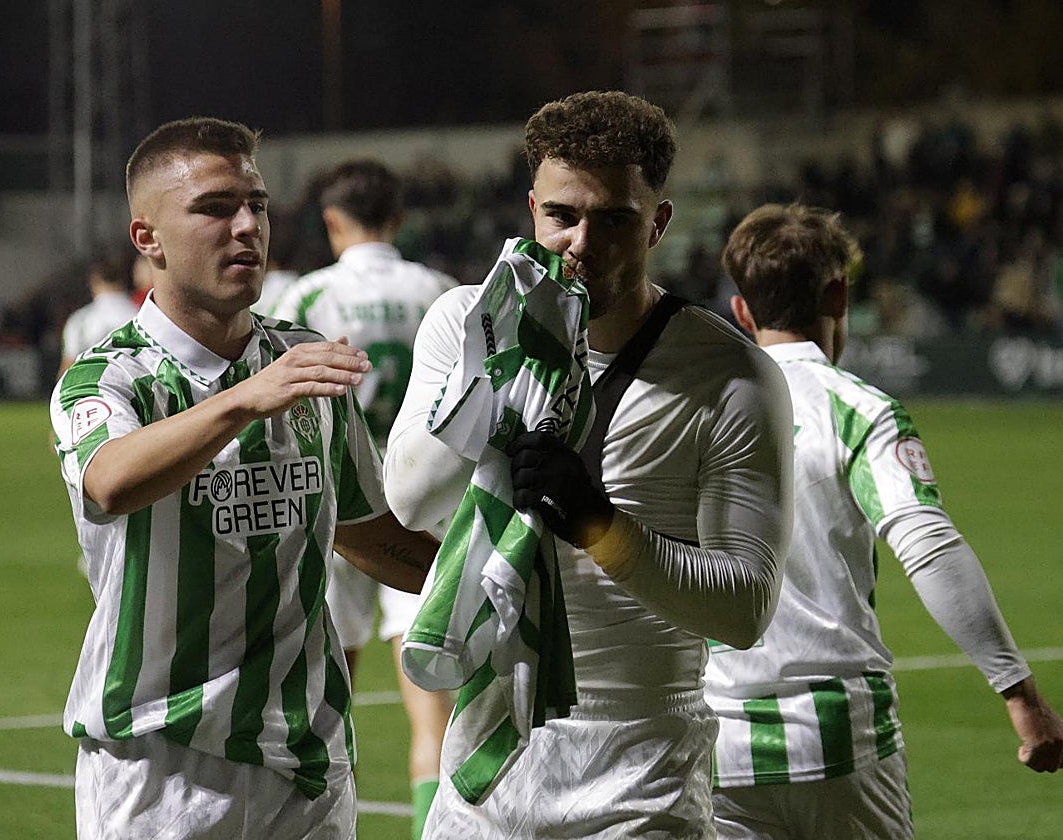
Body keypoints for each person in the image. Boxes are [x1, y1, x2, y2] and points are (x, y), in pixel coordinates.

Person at [383, 90, 794, 838]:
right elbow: (411, 500)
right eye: (561, 216)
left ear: (658, 224)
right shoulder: (464, 323)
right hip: (485, 772)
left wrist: (600, 524)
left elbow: (745, 609)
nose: (580, 243)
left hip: (640, 777)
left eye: (613, 220)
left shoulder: (730, 374)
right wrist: (502, 367)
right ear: (531, 210)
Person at [49, 116, 439, 840]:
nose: (246, 227)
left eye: (256, 205)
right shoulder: (110, 376)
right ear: (148, 239)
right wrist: (242, 399)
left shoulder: (303, 361)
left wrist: (497, 576)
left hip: (309, 763)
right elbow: (110, 480)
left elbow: (366, 535)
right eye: (214, 208)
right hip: (162, 765)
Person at [713, 202, 1063, 839]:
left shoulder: (694, 412)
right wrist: (1020, 693)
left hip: (719, 745)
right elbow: (929, 547)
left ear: (742, 310)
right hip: (840, 740)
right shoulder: (858, 410)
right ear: (839, 296)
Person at [271, 159, 457, 839]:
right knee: (434, 720)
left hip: (336, 506)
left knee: (325, 710)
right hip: (423, 505)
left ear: (331, 221)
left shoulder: (306, 297)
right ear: (398, 218)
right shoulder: (440, 292)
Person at [56, 249, 141, 378]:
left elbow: (68, 365)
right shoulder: (141, 312)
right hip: (137, 382)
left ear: (93, 282)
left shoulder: (81, 319)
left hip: (94, 383)